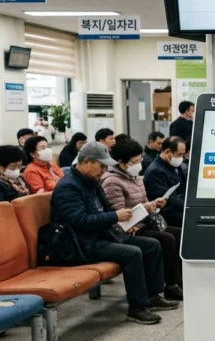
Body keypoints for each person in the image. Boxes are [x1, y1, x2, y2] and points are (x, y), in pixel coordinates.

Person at [51, 142, 178, 325]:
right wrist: (114, 216)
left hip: (100, 234)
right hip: (79, 242)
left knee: (152, 245)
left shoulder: (91, 181)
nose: (104, 170)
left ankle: (153, 295)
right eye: (101, 165)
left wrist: (129, 215)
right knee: (131, 253)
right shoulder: (68, 187)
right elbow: (79, 222)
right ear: (87, 162)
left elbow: (106, 209)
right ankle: (137, 307)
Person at [102, 138, 184, 301]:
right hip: (129, 228)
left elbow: (143, 202)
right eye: (135, 161)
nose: (139, 164)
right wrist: (144, 211)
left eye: (140, 160)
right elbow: (120, 214)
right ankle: (169, 286)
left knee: (178, 233)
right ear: (121, 162)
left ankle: (177, 281)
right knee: (165, 238)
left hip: (143, 222)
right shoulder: (112, 181)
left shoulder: (135, 178)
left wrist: (154, 204)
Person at [144, 136, 187, 227]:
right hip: (168, 212)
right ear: (167, 152)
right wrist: (189, 206)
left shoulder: (173, 165)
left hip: (179, 207)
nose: (181, 158)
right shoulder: (155, 171)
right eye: (179, 155)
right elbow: (169, 199)